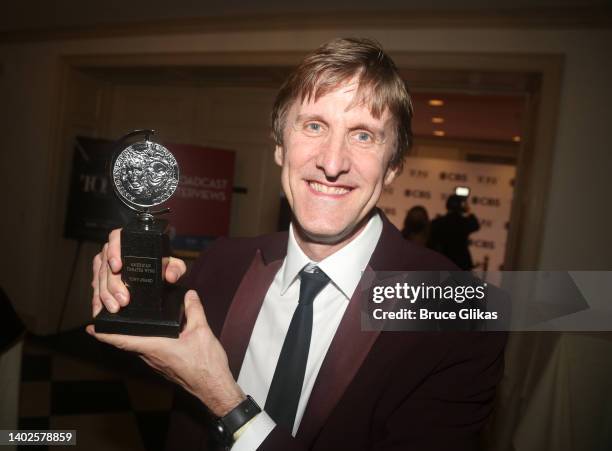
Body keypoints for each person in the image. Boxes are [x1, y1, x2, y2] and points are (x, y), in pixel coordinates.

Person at [89, 38, 505, 450]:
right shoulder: (221, 264)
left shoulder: (460, 314)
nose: (332, 162)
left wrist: (228, 403)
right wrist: (128, 290)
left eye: (363, 136)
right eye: (314, 126)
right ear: (279, 147)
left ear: (393, 166)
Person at [428, 194, 480, 270]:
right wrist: (468, 210)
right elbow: (475, 225)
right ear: (461, 208)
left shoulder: (437, 222)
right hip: (461, 266)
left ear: (447, 206)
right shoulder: (463, 222)